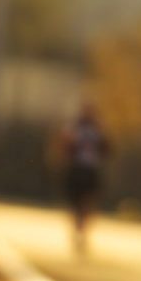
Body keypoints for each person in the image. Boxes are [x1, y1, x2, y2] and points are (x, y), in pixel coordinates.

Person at [60, 103, 111, 258]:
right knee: (75, 204)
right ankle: (77, 229)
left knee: (88, 202)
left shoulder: (99, 129)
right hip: (77, 169)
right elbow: (64, 146)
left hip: (91, 170)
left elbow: (107, 149)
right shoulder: (74, 127)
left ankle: (84, 231)